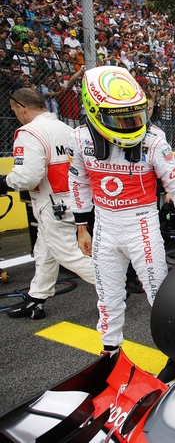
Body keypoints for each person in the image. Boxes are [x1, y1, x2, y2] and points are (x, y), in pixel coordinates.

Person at [68, 66, 175, 355]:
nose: (129, 123)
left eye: (134, 115)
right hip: (104, 227)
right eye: (118, 117)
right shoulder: (79, 138)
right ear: (94, 113)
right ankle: (110, 352)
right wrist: (82, 227)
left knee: (160, 296)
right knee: (107, 297)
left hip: (141, 227)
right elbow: (78, 181)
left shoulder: (154, 138)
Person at [0, 88, 95, 319]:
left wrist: (5, 182)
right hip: (73, 200)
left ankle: (116, 285)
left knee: (68, 255)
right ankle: (36, 299)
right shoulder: (67, 129)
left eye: (14, 111)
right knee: (44, 251)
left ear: (21, 109)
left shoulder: (29, 132)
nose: (15, 116)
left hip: (51, 204)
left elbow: (28, 177)